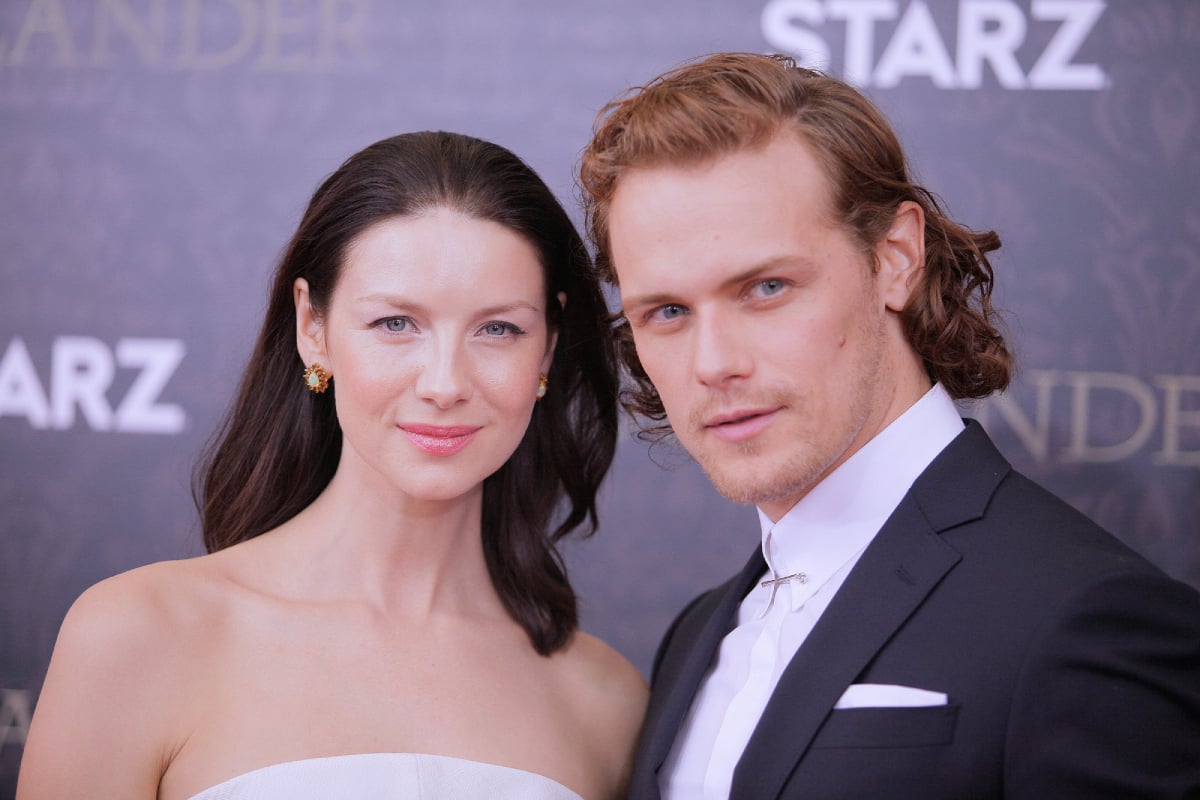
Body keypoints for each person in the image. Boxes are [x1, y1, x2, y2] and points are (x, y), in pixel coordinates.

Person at [578, 52, 1200, 799]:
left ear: (896, 258)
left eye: (766, 287)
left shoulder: (1085, 616)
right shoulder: (697, 634)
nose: (713, 363)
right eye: (669, 312)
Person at [18, 131, 647, 799]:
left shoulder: (604, 702)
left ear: (547, 348)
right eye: (395, 324)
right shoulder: (138, 635)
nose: (444, 383)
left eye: (498, 329)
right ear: (312, 329)